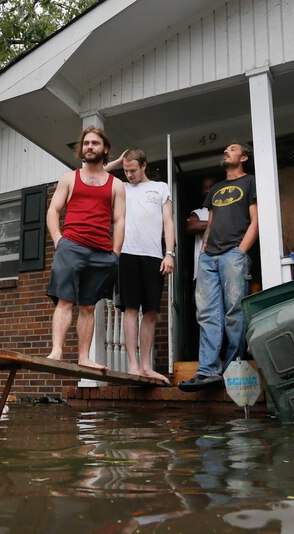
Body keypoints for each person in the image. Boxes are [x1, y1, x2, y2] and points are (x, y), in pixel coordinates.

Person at [179, 143, 258, 392]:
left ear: (243, 157)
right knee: (207, 313)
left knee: (234, 312)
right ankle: (207, 371)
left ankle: (233, 366)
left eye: (232, 149)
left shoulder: (251, 182)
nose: (226, 151)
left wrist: (241, 250)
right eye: (225, 150)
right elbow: (210, 223)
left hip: (233, 253)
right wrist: (203, 252)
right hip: (209, 257)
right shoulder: (216, 189)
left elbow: (257, 220)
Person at [46, 126, 126, 369]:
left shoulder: (116, 184)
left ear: (105, 149)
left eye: (96, 143)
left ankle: (83, 357)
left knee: (89, 306)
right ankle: (57, 351)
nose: (90, 146)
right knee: (65, 300)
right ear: (82, 148)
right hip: (71, 246)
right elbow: (53, 210)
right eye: (87, 143)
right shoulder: (70, 178)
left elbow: (120, 220)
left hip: (102, 252)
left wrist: (115, 253)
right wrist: (58, 239)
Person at [106, 149, 174, 382]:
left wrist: (170, 253)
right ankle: (133, 365)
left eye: (133, 170)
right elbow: (95, 175)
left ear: (144, 166)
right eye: (125, 170)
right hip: (126, 254)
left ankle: (146, 365)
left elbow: (168, 222)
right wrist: (116, 162)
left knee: (151, 311)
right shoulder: (121, 188)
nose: (129, 174)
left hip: (154, 256)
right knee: (131, 310)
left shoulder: (161, 187)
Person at [186, 176, 215, 283]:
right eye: (205, 188)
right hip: (202, 271)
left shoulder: (226, 210)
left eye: (211, 187)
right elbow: (192, 226)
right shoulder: (197, 212)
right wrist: (220, 224)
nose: (208, 191)